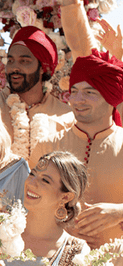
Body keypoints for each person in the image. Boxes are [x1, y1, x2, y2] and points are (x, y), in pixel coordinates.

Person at [30, 51, 123, 248]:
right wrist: (62, 222)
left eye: (90, 92)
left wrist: (118, 213)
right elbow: (26, 202)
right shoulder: (47, 146)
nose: (77, 100)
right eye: (74, 91)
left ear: (110, 97)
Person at [0, 26, 73, 159]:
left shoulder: (65, 116)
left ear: (42, 68)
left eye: (24, 61)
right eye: (10, 60)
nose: (14, 67)